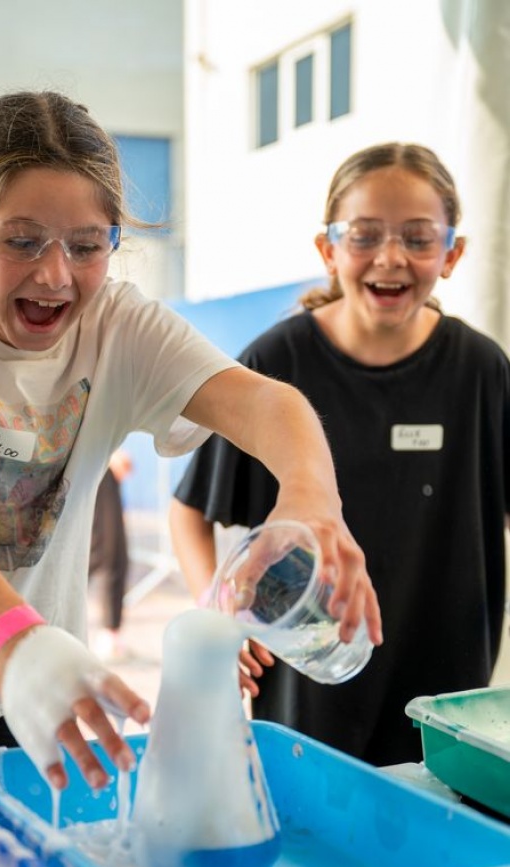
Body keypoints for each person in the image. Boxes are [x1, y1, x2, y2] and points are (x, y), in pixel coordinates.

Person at [0, 90, 381, 792]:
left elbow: (266, 403)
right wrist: (12, 640)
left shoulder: (121, 330)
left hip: (39, 677)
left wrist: (311, 499)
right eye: (21, 241)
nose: (55, 274)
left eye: (88, 245)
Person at [171, 142, 510, 768]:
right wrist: (217, 610)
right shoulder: (275, 364)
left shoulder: (482, 371)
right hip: (305, 689)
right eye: (364, 235)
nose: (390, 257)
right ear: (328, 250)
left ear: (452, 254)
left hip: (444, 702)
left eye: (417, 237)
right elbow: (189, 510)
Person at [89, 448, 133, 662]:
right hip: (91, 454)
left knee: (105, 548)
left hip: (90, 454)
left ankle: (110, 633)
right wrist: (110, 451)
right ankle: (110, 634)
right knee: (108, 549)